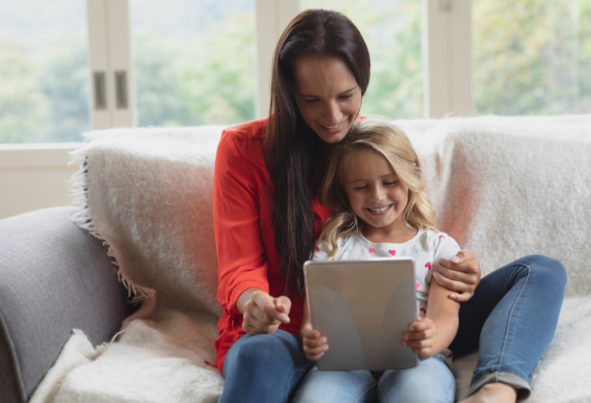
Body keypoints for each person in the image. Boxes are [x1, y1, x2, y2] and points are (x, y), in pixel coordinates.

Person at [212, 8, 566, 403]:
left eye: (346, 96)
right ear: (289, 94)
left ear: (363, 83)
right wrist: (253, 302)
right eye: (311, 100)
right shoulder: (244, 150)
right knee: (258, 353)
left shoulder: (366, 143)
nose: (332, 117)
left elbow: (415, 235)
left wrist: (463, 272)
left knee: (540, 272)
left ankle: (497, 387)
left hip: (414, 326)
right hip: (304, 334)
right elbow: (239, 266)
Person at [296, 118, 460, 402]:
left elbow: (445, 315)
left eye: (389, 182)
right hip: (345, 365)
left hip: (418, 361)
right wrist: (311, 338)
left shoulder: (438, 248)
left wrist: (431, 337)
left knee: (419, 393)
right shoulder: (333, 246)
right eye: (361, 187)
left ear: (411, 175)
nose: (377, 196)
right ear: (344, 189)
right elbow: (313, 321)